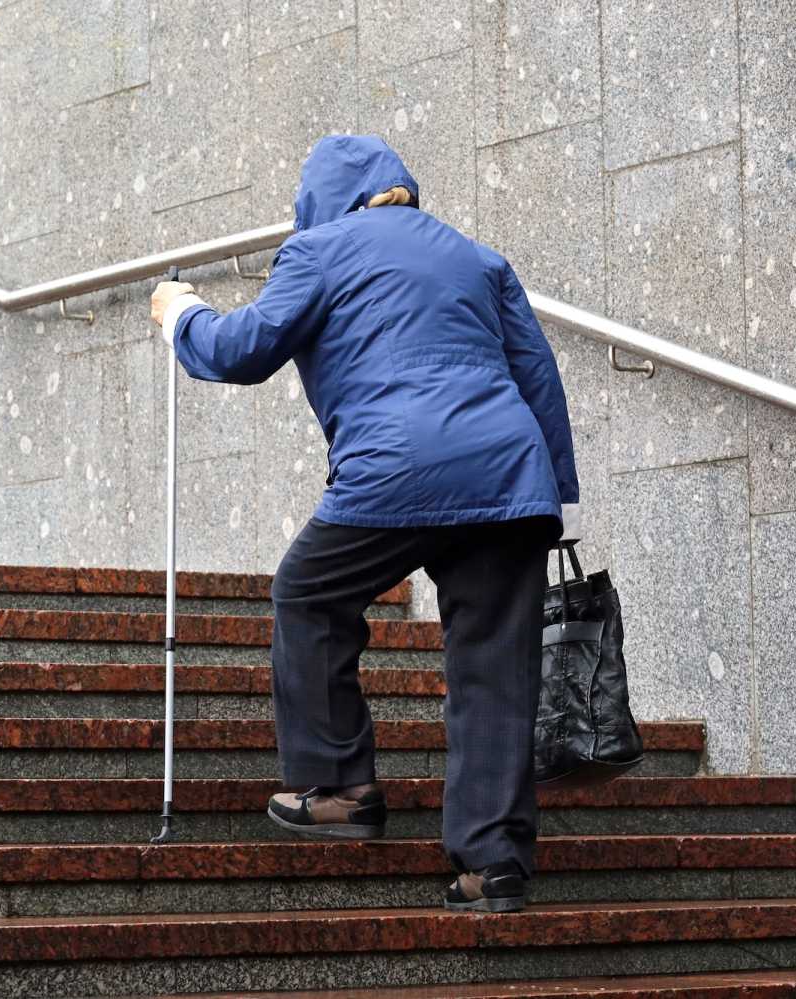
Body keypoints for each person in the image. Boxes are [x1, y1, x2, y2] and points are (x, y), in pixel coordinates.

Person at [149, 135, 579, 914]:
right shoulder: (478, 257)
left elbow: (242, 350)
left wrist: (182, 317)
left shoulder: (320, 250)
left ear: (318, 200)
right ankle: (495, 863)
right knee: (491, 668)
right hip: (511, 477)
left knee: (308, 594)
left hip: (400, 465)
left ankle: (340, 786)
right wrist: (549, 497)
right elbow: (537, 376)